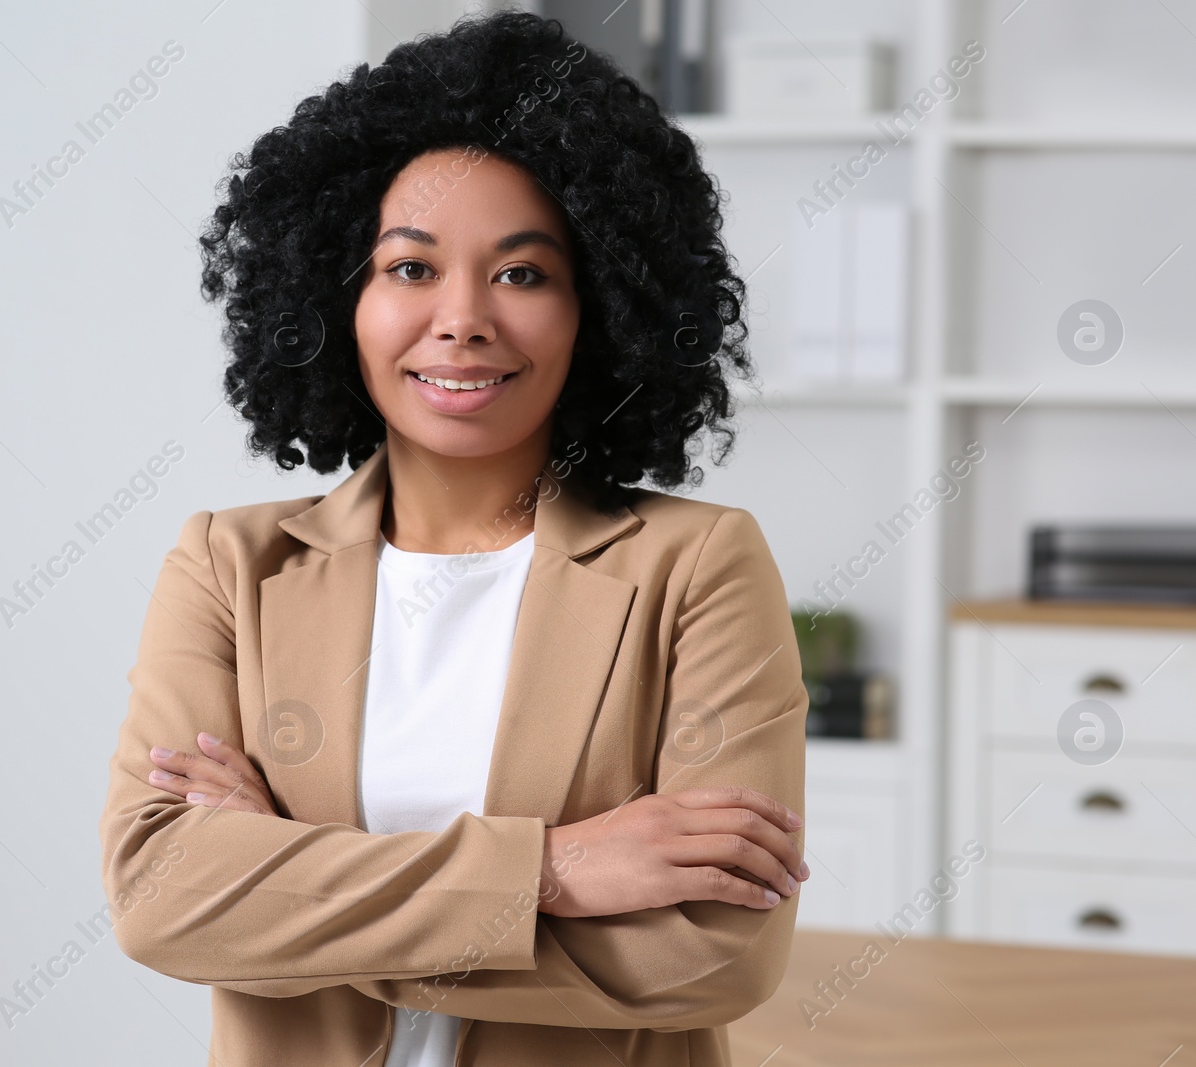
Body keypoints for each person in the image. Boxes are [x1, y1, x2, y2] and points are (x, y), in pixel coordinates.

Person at [99, 11, 809, 1066]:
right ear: (339, 294)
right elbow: (160, 895)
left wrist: (291, 883)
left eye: (522, 273)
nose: (463, 316)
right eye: (410, 267)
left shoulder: (695, 568)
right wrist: (553, 873)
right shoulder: (229, 566)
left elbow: (710, 953)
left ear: (599, 308)